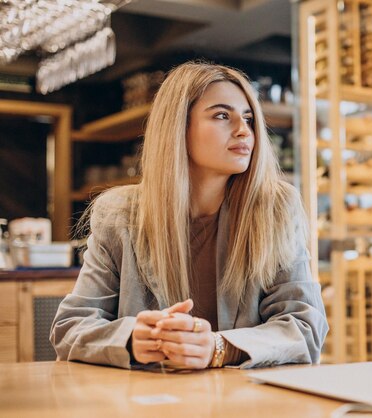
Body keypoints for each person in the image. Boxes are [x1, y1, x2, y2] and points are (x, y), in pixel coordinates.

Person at [50, 61, 328, 370]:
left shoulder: (276, 208)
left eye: (249, 119)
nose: (243, 131)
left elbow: (306, 328)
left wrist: (219, 347)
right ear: (178, 127)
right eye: (222, 116)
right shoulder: (119, 214)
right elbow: (69, 327)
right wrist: (131, 339)